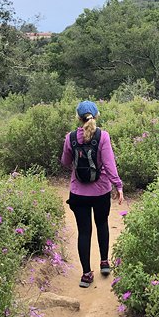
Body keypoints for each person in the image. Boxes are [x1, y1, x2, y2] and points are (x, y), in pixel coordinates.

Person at [61, 100, 124, 288]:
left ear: (78, 118)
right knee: (102, 224)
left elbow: (65, 162)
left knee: (84, 231)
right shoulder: (103, 136)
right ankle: (104, 263)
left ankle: (86, 275)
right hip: (101, 191)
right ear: (96, 115)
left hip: (78, 193)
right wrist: (118, 186)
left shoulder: (70, 137)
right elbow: (109, 164)